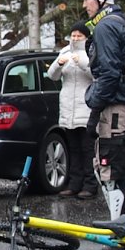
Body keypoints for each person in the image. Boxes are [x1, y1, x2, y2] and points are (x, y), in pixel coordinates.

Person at [71, 0, 125, 250]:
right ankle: (119, 234)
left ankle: (117, 239)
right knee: (112, 171)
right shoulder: (119, 22)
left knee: (111, 173)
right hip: (119, 107)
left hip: (114, 109)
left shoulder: (107, 27)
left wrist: (92, 100)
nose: (85, 5)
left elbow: (109, 74)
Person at [47, 21, 97, 199]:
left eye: (79, 36)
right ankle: (74, 184)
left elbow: (95, 74)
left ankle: (90, 184)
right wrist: (59, 63)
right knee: (73, 149)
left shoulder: (91, 51)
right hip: (68, 109)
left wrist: (82, 61)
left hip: (86, 109)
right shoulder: (65, 51)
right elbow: (52, 75)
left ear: (86, 37)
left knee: (87, 149)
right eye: (73, 35)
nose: (75, 39)